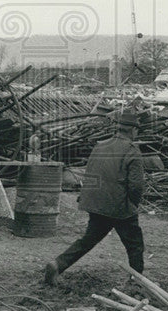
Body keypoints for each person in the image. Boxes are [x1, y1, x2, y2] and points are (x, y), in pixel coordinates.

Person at [43, 110, 145, 285]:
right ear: (132, 130)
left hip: (95, 202)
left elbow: (91, 173)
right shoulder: (132, 151)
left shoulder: (100, 145)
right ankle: (137, 281)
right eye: (137, 131)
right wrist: (135, 204)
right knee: (135, 244)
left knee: (88, 240)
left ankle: (58, 263)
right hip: (118, 206)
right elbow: (136, 186)